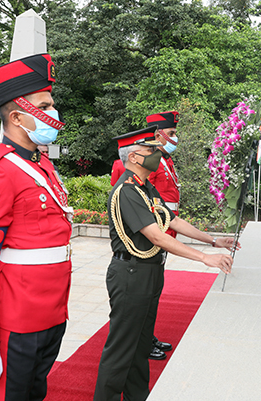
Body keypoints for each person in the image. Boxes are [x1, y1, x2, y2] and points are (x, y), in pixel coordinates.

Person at [94, 126, 238, 401]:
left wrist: (212, 241)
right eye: (150, 150)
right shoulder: (127, 191)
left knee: (139, 346)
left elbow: (172, 220)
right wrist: (205, 259)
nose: (157, 153)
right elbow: (156, 235)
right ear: (135, 157)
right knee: (122, 348)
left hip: (148, 272)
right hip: (130, 274)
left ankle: (138, 395)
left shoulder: (145, 188)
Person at [0, 53, 72, 401]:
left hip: (52, 310)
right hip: (17, 319)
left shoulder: (42, 166)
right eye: (45, 105)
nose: (54, 113)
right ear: (17, 116)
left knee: (35, 393)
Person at [110, 111, 180, 360]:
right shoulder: (132, 171)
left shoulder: (164, 162)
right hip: (147, 235)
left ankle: (147, 338)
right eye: (170, 134)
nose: (174, 138)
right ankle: (144, 341)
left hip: (163, 229)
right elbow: (126, 198)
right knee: (137, 308)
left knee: (152, 298)